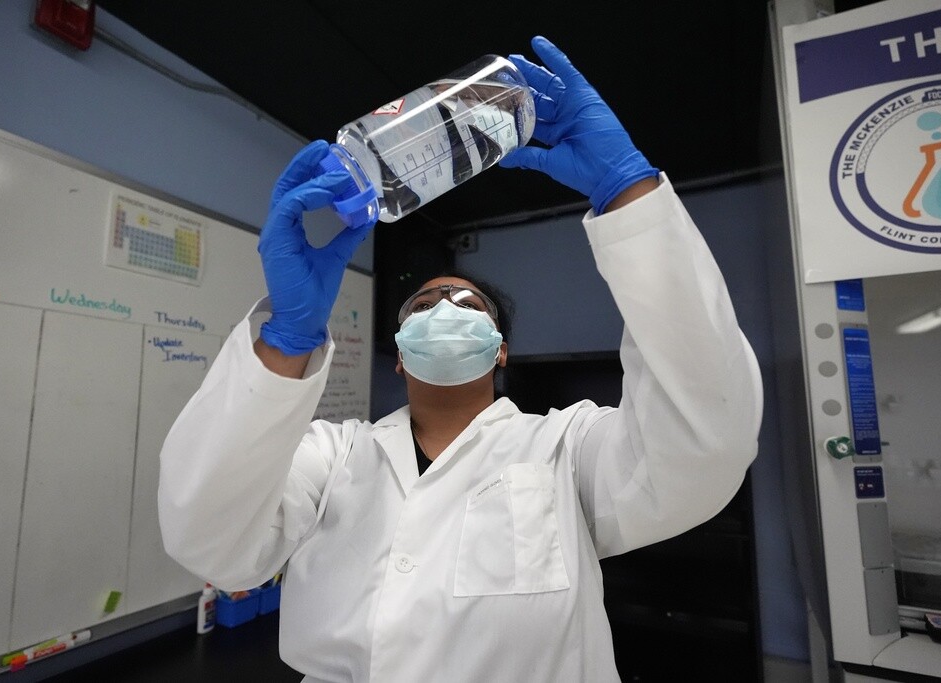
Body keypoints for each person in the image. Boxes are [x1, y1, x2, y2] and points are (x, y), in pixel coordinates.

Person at [158, 35, 763, 683]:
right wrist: (287, 339)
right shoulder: (334, 457)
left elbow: (708, 439)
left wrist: (629, 196)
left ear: (499, 349)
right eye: (424, 305)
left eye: (466, 302)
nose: (444, 307)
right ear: (400, 356)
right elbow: (211, 543)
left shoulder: (569, 448)